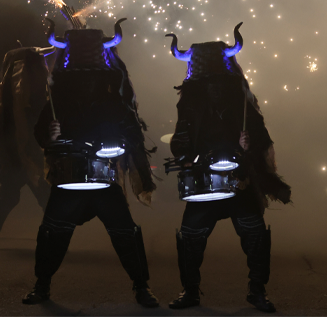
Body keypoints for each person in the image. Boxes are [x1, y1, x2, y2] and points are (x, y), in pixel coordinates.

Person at [22, 18, 159, 308]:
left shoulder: (114, 101)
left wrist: (121, 140)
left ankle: (141, 286)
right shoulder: (57, 99)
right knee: (52, 232)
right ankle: (41, 285)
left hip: (104, 179)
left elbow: (133, 131)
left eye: (92, 77)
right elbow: (40, 132)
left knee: (125, 232)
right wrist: (49, 134)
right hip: (67, 177)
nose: (86, 82)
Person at [165, 23, 291, 313]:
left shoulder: (240, 97)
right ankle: (190, 291)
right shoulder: (190, 98)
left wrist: (249, 144)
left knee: (255, 234)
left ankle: (257, 290)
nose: (214, 87)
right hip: (202, 179)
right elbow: (181, 134)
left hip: (239, 178)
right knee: (191, 236)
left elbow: (260, 134)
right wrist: (184, 156)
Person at [0, 47, 51, 251]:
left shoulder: (24, 92)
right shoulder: (12, 96)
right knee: (12, 196)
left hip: (27, 153)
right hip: (17, 155)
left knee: (41, 196)